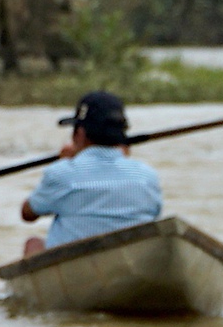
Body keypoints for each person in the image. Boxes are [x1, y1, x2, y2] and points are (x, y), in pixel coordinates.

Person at [20, 90, 161, 256]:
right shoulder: (147, 176)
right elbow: (155, 213)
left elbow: (28, 213)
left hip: (74, 266)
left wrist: (66, 162)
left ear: (79, 133)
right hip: (132, 258)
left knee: (33, 244)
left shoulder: (62, 173)